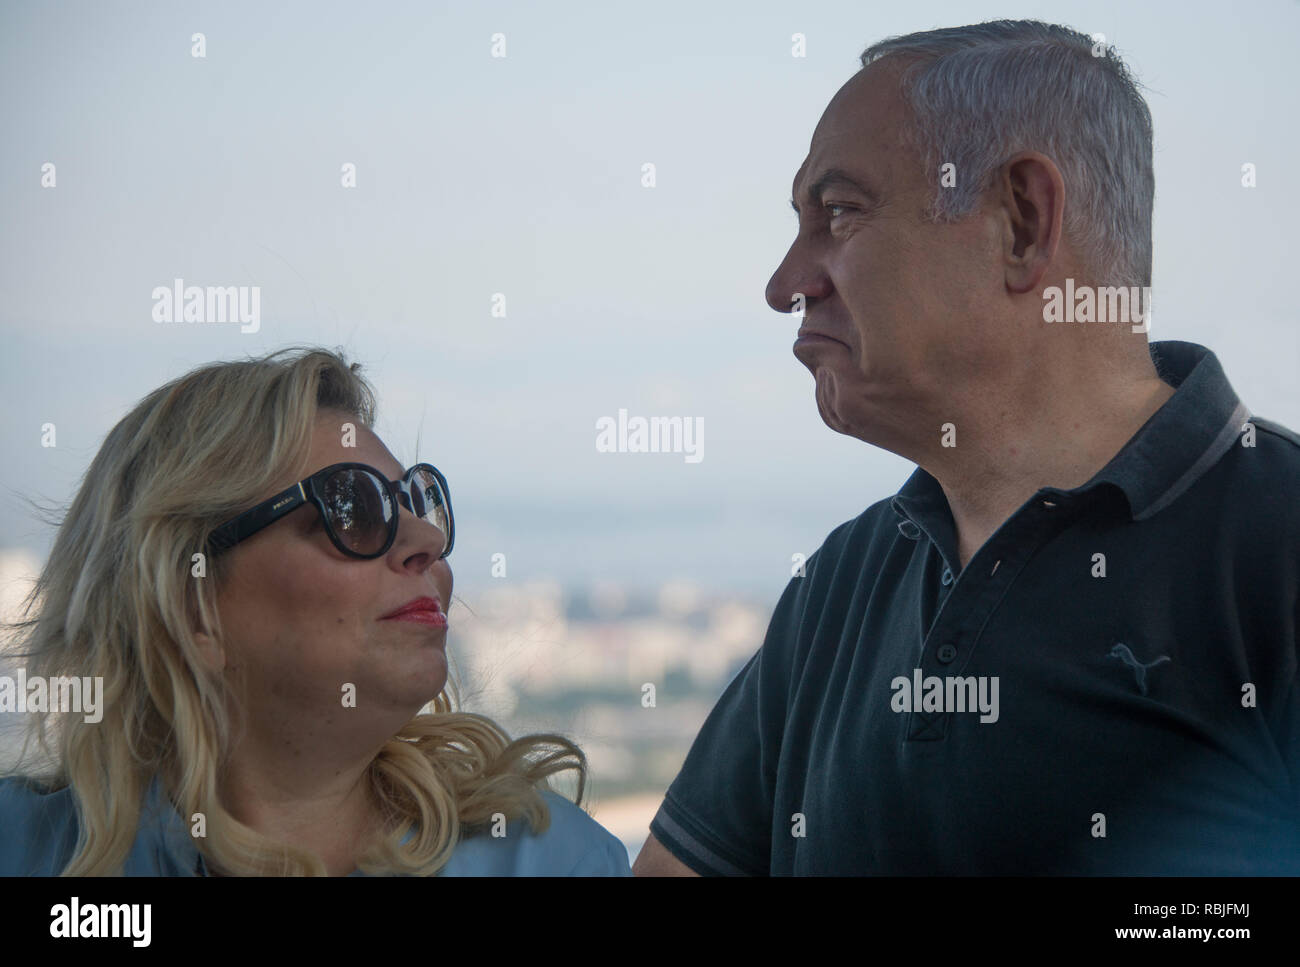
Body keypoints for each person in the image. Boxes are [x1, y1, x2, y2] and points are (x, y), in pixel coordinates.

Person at [635, 20, 1300, 875]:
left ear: (1022, 220)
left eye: (839, 213)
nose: (785, 284)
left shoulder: (1276, 556)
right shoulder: (842, 582)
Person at [0, 346, 631, 876]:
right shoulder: (24, 849)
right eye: (354, 508)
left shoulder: (550, 861)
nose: (428, 542)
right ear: (192, 602)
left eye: (417, 500)